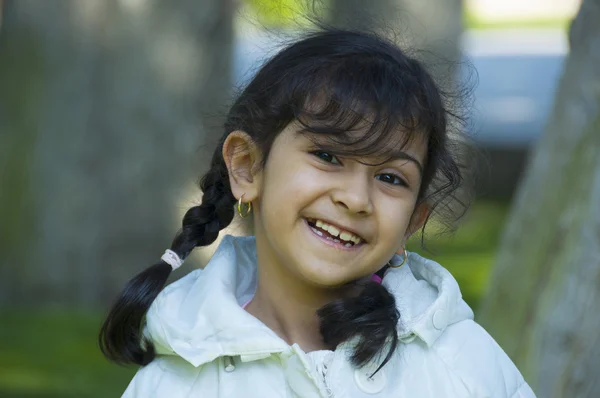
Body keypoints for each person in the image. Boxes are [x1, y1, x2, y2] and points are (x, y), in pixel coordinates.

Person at [99, 27, 535, 397]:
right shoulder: (175, 380)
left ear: (413, 222)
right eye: (327, 155)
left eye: (390, 178)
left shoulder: (463, 368)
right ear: (248, 167)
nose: (356, 198)